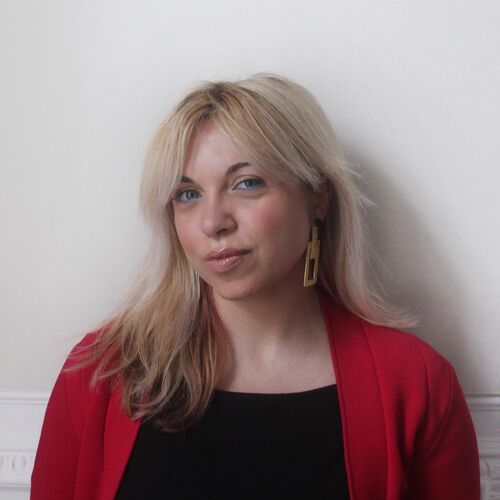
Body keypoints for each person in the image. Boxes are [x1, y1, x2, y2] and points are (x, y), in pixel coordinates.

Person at [30, 73, 480, 499]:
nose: (213, 222)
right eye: (188, 194)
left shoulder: (417, 385)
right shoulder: (101, 374)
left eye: (246, 183)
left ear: (318, 196)